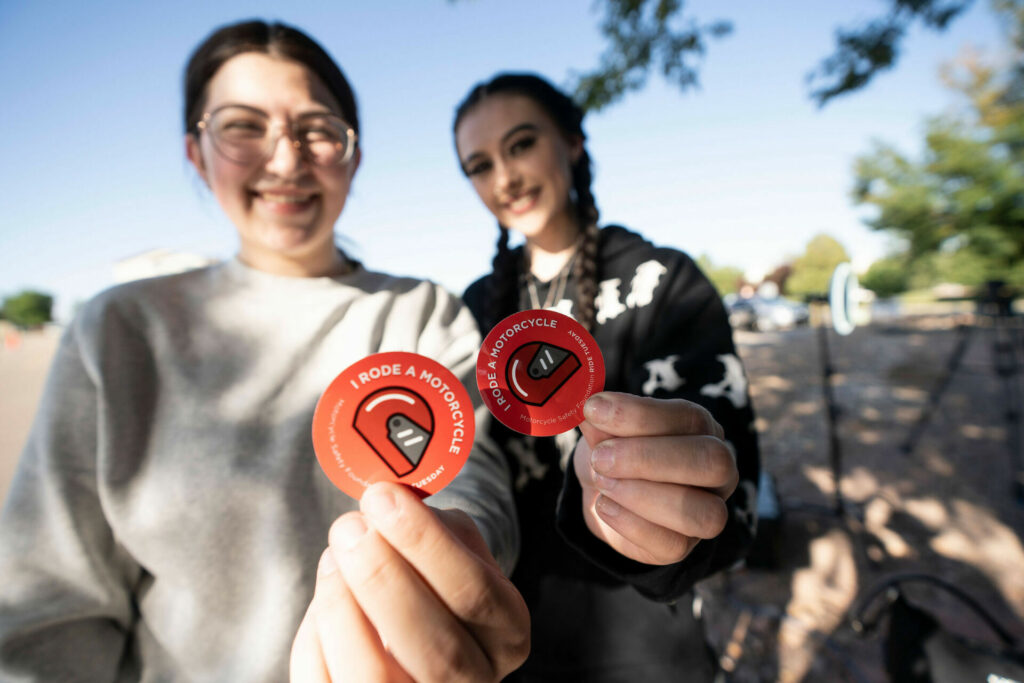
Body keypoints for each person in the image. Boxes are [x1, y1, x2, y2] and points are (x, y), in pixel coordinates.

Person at [0, 21, 529, 682]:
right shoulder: (119, 329)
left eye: (316, 129)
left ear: (353, 154)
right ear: (197, 153)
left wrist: (458, 569)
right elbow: (47, 613)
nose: (285, 160)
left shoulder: (422, 312)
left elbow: (474, 491)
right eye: (243, 126)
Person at [453, 73, 761, 680]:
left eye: (520, 145)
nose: (505, 178)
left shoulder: (664, 278)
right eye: (479, 165)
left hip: (642, 630)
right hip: (513, 624)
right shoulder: (472, 306)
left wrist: (673, 508)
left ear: (571, 142)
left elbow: (734, 480)